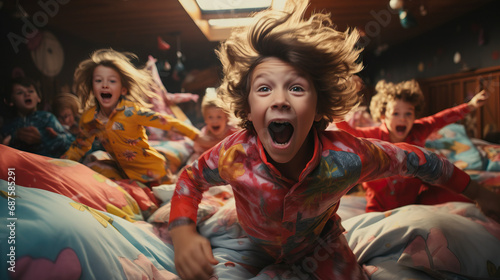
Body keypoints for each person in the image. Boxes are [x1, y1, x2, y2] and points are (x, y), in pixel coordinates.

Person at [167, 2, 500, 279]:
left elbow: (418, 160)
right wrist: (182, 232)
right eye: (264, 88)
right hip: (249, 240)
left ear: (318, 108)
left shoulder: (347, 157)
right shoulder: (233, 153)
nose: (280, 100)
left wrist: (480, 193)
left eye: (296, 88)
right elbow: (189, 178)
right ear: (249, 110)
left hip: (320, 244)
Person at [62, 48, 211, 186]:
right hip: (124, 173)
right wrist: (59, 164)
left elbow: (168, 122)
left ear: (123, 89)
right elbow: (80, 146)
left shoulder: (131, 112)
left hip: (153, 173)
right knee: (93, 162)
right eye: (99, 80)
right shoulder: (89, 119)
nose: (105, 85)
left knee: (163, 199)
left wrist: (197, 137)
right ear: (92, 88)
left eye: (112, 81)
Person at [335, 79, 489, 212]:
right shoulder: (372, 134)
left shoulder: (419, 129)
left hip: (414, 197)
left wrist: (471, 106)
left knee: (458, 195)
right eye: (396, 113)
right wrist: (338, 101)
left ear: (415, 115)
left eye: (408, 113)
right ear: (383, 115)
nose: (403, 119)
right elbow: (347, 131)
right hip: (379, 202)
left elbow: (442, 118)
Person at [1, 76, 74, 158]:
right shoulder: (8, 125)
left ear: (39, 98)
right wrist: (15, 136)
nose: (27, 94)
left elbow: (71, 143)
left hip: (47, 166)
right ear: (10, 101)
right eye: (20, 92)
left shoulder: (47, 118)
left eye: (31, 91)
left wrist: (48, 138)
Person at [186, 88, 240, 165]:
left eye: (219, 117)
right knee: (194, 158)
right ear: (205, 120)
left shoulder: (233, 130)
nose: (215, 121)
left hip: (228, 161)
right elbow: (197, 147)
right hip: (210, 163)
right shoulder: (206, 132)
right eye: (210, 117)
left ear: (226, 118)